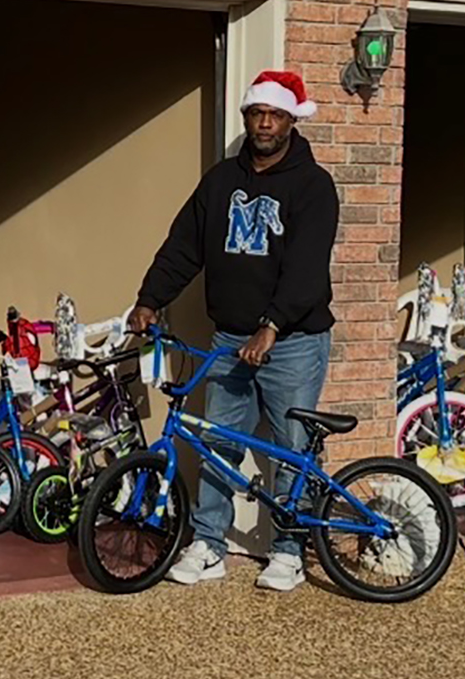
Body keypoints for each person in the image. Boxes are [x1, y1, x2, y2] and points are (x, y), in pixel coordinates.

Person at [127, 69, 340, 592]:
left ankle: (288, 549)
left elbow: (307, 270)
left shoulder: (313, 186)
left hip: (292, 343)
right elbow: (184, 247)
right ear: (247, 117)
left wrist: (272, 327)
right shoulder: (220, 181)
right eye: (257, 114)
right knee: (217, 443)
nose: (265, 124)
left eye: (275, 115)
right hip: (228, 340)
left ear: (291, 121)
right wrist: (150, 299)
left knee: (291, 448)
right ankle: (209, 544)